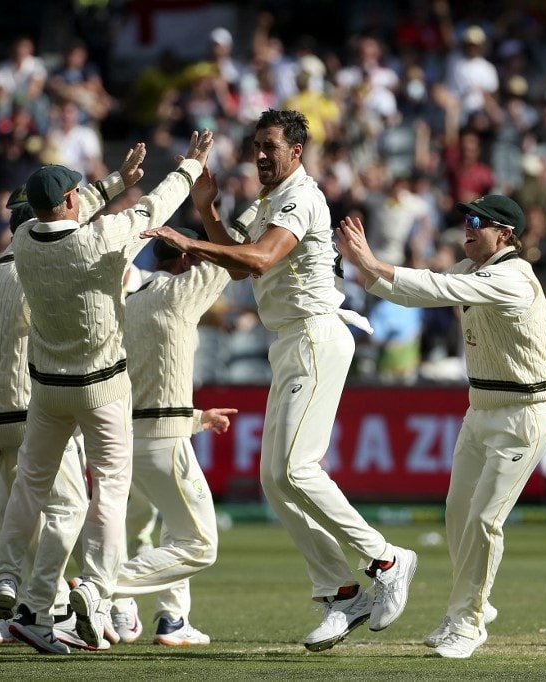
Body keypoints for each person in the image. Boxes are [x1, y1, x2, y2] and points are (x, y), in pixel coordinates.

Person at [141, 110, 417, 653]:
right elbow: (237, 266)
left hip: (315, 334)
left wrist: (190, 243)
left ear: (296, 151)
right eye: (256, 146)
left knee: (295, 468)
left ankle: (387, 559)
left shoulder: (301, 197)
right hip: (289, 340)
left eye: (270, 146)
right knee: (275, 479)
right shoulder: (267, 202)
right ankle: (341, 592)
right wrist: (206, 210)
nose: (261, 155)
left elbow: (261, 259)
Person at [0, 130, 214, 655]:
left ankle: (6, 578)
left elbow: (63, 211)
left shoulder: (23, 242)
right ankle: (93, 586)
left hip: (48, 390)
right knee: (109, 489)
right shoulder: (103, 237)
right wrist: (190, 167)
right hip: (102, 387)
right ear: (71, 200)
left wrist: (114, 182)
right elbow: (155, 209)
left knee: (31, 487)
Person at [335, 194, 546, 659]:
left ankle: (469, 620)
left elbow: (438, 287)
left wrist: (375, 263)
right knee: (459, 514)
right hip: (480, 408)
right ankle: (471, 604)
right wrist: (366, 269)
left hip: (525, 413)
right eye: (466, 219)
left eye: (479, 221)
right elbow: (420, 293)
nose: (468, 226)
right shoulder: (470, 270)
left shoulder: (512, 277)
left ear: (505, 234)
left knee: (485, 520)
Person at [0, 165, 140, 649]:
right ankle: (47, 608)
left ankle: (9, 592)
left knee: (14, 510)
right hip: (42, 401)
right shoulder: (40, 266)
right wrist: (121, 183)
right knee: (69, 508)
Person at [110, 219, 235, 647]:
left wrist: (198, 417)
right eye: (194, 258)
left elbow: (148, 379)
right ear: (184, 259)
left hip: (130, 438)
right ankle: (99, 588)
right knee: (200, 545)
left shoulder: (131, 302)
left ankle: (173, 618)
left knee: (173, 529)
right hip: (163, 442)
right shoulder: (179, 291)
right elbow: (232, 256)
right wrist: (219, 212)